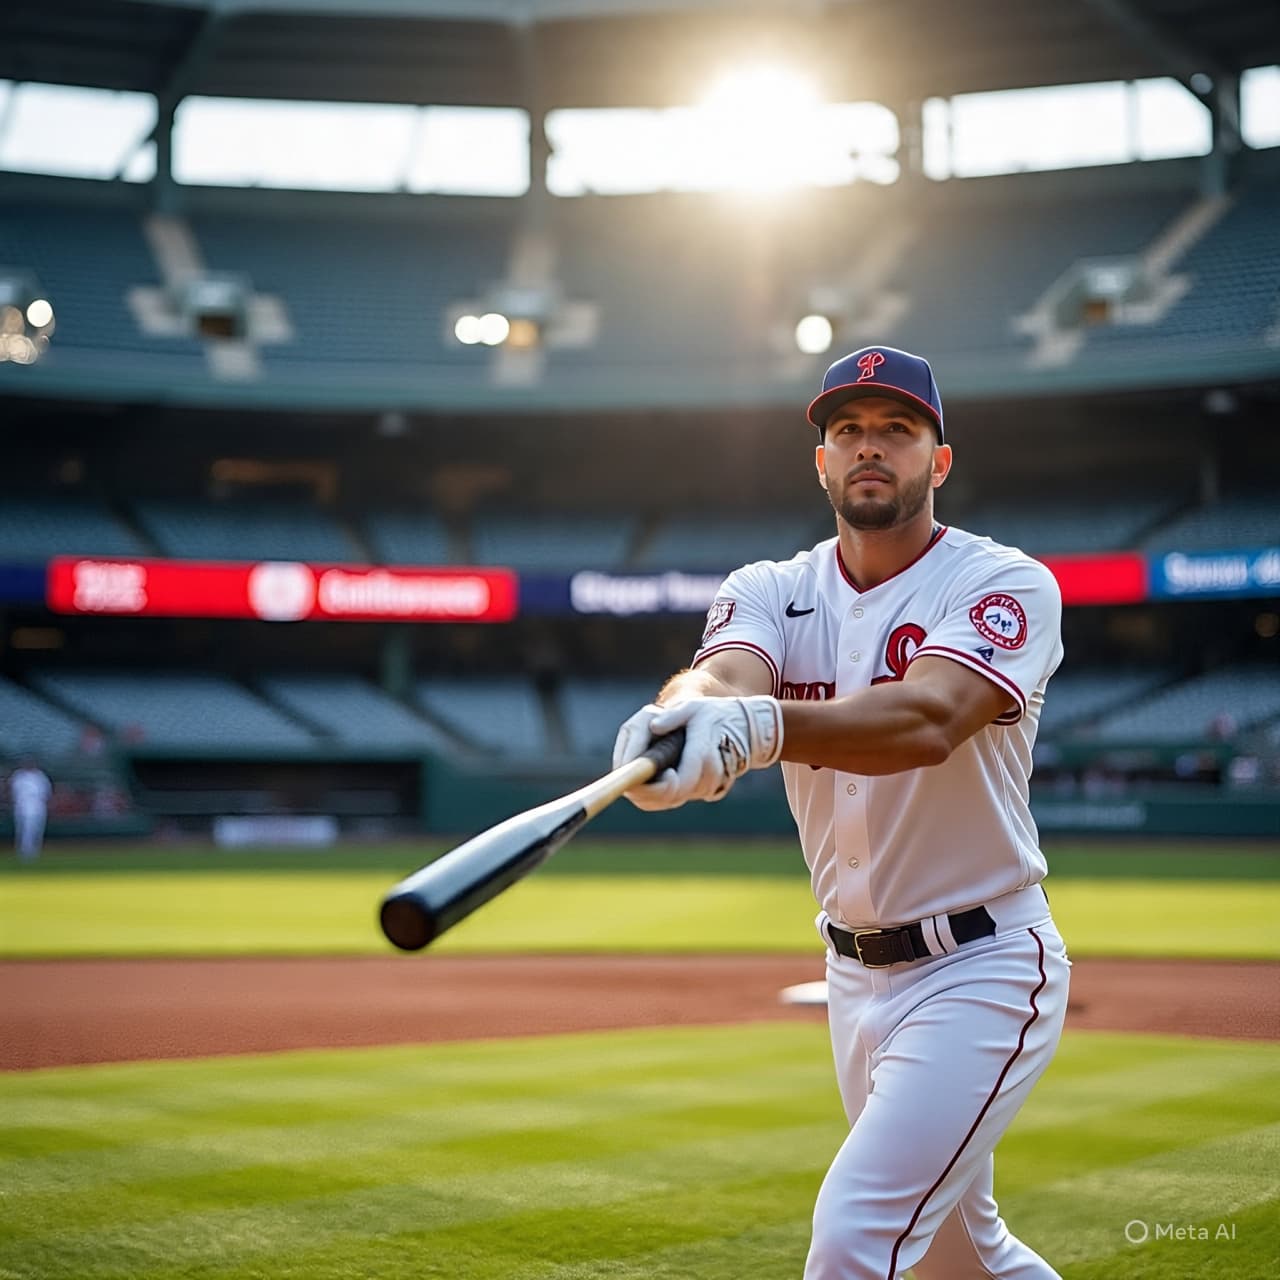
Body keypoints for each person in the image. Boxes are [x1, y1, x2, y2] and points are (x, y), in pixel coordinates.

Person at [613, 345, 1071, 1279]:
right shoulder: (771, 588)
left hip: (981, 964)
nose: (870, 447)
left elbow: (930, 717)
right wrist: (685, 719)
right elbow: (723, 676)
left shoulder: (1004, 582)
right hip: (852, 976)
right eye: (847, 431)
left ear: (937, 461)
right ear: (820, 460)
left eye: (897, 431)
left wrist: (759, 726)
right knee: (963, 1260)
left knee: (854, 1236)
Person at [9, 759, 52, 862]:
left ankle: (35, 852)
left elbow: (46, 792)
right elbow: (14, 792)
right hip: (22, 806)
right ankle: (25, 853)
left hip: (38, 806)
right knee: (25, 831)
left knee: (37, 830)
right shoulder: (18, 776)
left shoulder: (40, 776)